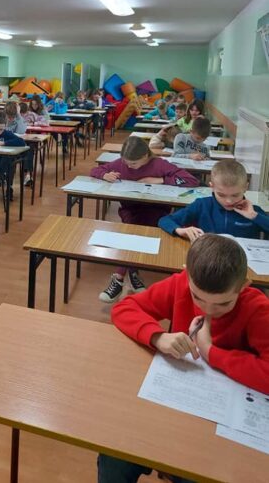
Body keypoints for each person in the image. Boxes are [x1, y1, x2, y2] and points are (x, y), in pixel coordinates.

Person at [97, 234, 269, 482]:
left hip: (220, 421)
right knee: (114, 455)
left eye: (223, 304)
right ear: (187, 274)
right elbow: (124, 308)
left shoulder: (257, 307)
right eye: (198, 298)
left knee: (195, 473)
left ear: (244, 286)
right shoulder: (180, 284)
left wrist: (210, 352)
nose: (209, 310)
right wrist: (157, 336)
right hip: (175, 400)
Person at [90, 137, 199, 303]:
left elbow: (192, 181)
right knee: (135, 226)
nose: (128, 166)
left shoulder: (159, 164)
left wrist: (161, 180)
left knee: (134, 229)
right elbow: (94, 170)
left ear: (145, 156)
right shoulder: (121, 163)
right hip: (130, 209)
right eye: (126, 162)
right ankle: (133, 272)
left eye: (133, 163)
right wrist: (105, 175)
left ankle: (119, 277)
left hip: (156, 211)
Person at [159, 159, 269, 241]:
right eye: (221, 195)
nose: (229, 201)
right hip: (209, 258)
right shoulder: (202, 205)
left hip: (242, 262)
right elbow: (165, 220)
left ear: (245, 187)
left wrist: (255, 216)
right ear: (212, 187)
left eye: (235, 195)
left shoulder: (254, 211)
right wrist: (180, 230)